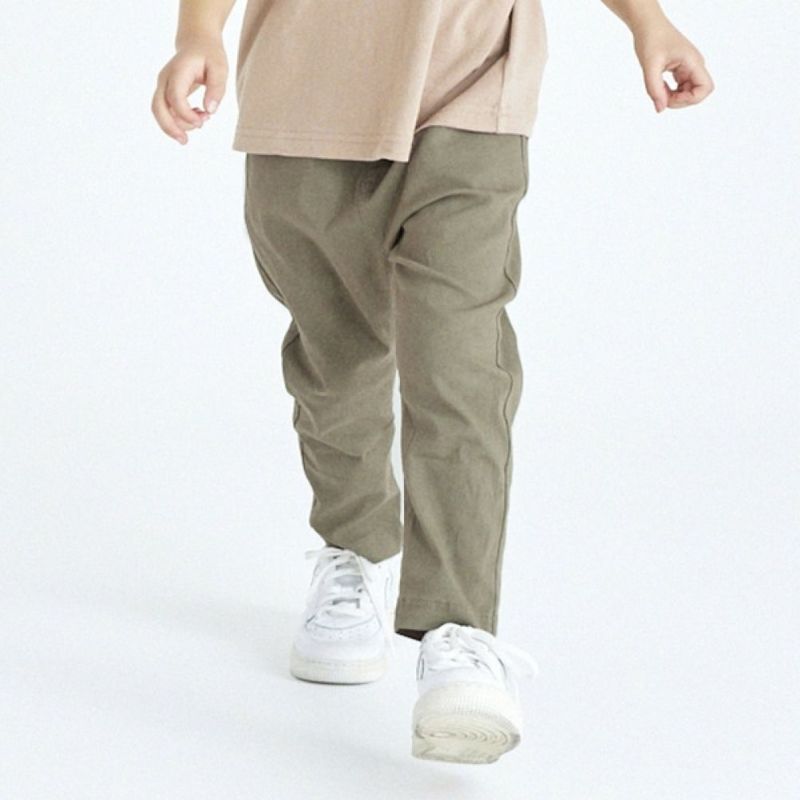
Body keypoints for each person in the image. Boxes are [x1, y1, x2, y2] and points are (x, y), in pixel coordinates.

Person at [151, 0, 714, 765]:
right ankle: (353, 549)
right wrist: (198, 33)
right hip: (304, 95)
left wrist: (647, 22)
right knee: (335, 364)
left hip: (471, 87)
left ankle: (461, 633)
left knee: (458, 362)